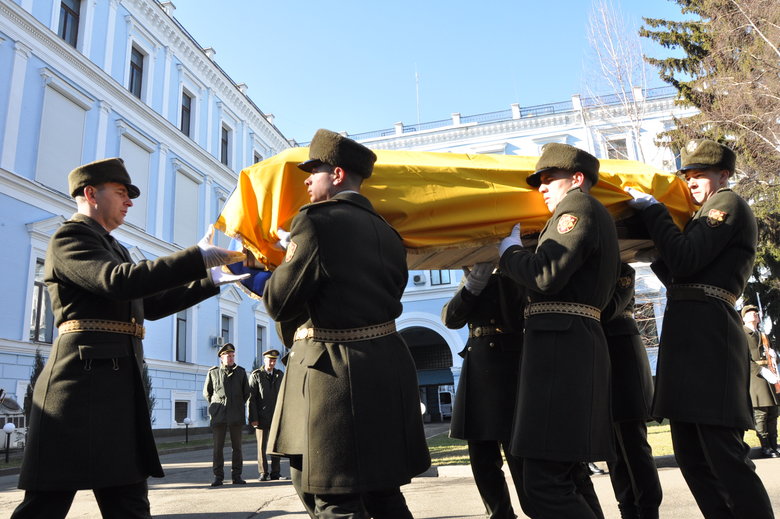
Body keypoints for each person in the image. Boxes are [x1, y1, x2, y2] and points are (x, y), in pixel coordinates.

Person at [11, 158, 246, 519]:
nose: (129, 201)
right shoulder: (70, 237)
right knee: (47, 503)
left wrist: (208, 280)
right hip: (77, 388)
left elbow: (148, 304)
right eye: (121, 192)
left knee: (130, 502)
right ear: (91, 193)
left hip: (117, 388)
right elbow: (120, 281)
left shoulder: (114, 247)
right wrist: (195, 258)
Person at [262, 129, 431, 519]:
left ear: (337, 175)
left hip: (333, 376)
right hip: (386, 370)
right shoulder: (389, 233)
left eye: (314, 170)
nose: (306, 179)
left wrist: (279, 263)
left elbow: (278, 301)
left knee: (332, 499)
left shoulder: (315, 221)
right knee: (383, 493)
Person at [626, 138, 773, 518]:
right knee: (691, 456)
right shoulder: (699, 215)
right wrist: (657, 253)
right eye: (686, 176)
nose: (690, 183)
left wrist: (656, 215)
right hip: (690, 334)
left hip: (708, 335)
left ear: (723, 175)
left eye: (699, 176)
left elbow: (688, 260)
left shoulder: (726, 203)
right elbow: (680, 274)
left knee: (722, 453)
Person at [498, 143, 620, 518]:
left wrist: (510, 253)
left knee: (543, 485)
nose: (541, 188)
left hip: (561, 353)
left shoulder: (577, 208)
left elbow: (544, 275)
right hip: (568, 348)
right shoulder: (582, 213)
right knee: (566, 478)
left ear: (577, 179)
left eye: (550, 179)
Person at [442, 263, 529, 519]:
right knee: (482, 459)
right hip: (479, 367)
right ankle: (499, 514)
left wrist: (502, 271)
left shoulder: (519, 267)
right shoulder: (476, 275)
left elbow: (515, 316)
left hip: (509, 369)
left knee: (520, 458)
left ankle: (537, 509)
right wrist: (471, 288)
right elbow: (451, 318)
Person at [602, 263, 662, 519]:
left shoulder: (621, 270)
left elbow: (609, 310)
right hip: (600, 359)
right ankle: (627, 508)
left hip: (624, 359)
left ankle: (648, 509)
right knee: (611, 448)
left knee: (633, 443)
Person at [203, 342, 251, 486]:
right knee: (218, 448)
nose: (230, 358)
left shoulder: (241, 373)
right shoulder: (213, 373)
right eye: (228, 356)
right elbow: (207, 393)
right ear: (221, 358)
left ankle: (237, 476)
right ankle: (218, 477)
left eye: (232, 356)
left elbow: (246, 393)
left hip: (236, 415)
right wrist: (217, 406)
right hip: (219, 416)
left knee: (237, 448)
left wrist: (235, 404)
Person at [742, 304, 780, 458]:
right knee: (761, 414)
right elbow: (744, 358)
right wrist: (761, 370)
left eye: (756, 313)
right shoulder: (742, 334)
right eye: (750, 313)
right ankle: (765, 446)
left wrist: (774, 355)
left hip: (769, 377)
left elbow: (768, 353)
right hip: (756, 378)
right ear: (743, 318)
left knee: (773, 413)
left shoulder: (762, 334)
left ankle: (774, 444)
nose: (754, 315)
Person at [249, 348, 287, 480]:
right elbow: (251, 398)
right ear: (265, 360)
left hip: (276, 417)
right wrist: (253, 418)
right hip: (261, 416)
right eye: (270, 360)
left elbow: (284, 396)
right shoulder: (256, 375)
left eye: (274, 360)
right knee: (262, 447)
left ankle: (275, 472)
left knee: (276, 446)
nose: (272, 363)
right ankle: (263, 472)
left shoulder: (279, 375)